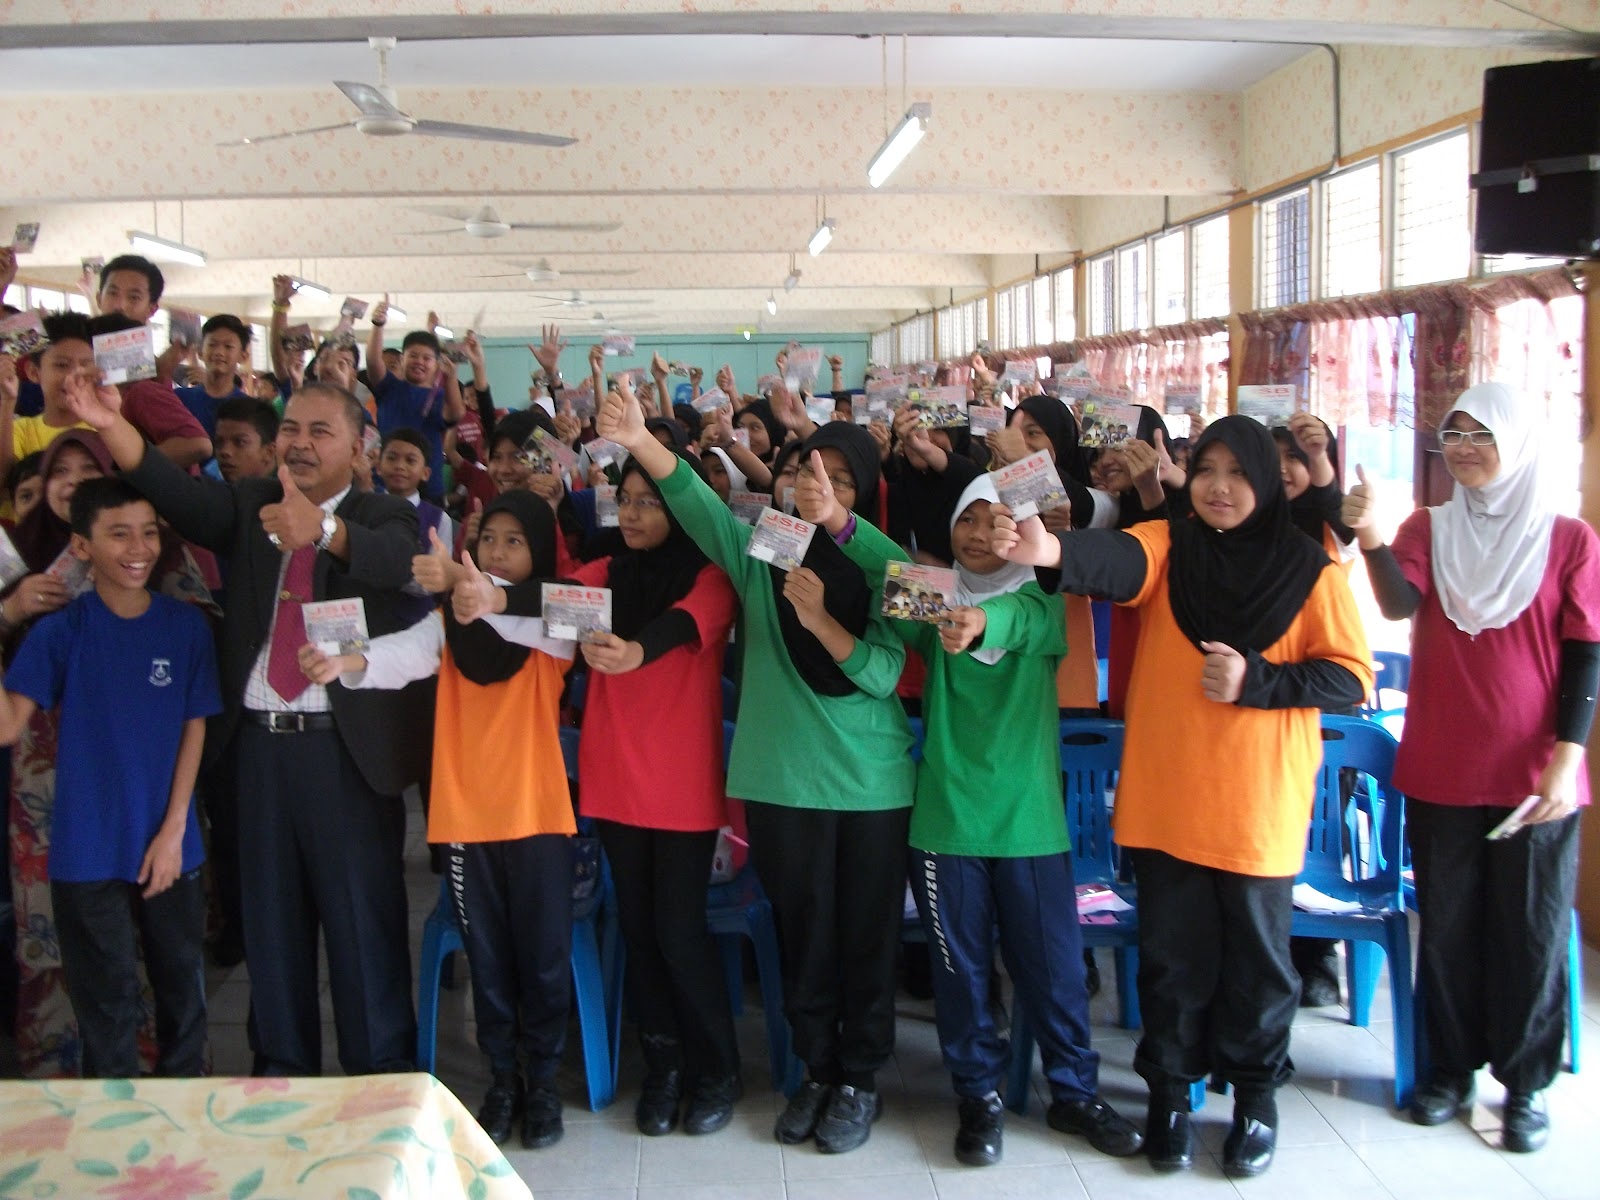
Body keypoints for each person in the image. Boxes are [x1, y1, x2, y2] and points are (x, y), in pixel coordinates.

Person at [992, 415, 1372, 1178]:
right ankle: (1169, 1093)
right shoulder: (1171, 545)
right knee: (1171, 960)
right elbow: (1119, 559)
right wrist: (1050, 550)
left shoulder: (1312, 568)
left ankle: (1256, 1103)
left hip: (1257, 802)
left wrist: (1257, 682)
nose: (1219, 488)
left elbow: (1352, 678)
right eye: (1206, 472)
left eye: (1237, 473)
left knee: (1261, 966)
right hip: (1167, 799)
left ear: (1263, 482)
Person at [65, 375, 433, 1077]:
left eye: (318, 432)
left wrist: (323, 530)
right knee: (271, 923)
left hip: (344, 757)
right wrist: (111, 425)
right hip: (259, 750)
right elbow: (175, 496)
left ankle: (379, 1073)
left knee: (364, 923)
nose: (297, 443)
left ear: (358, 447)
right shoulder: (250, 504)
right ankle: (282, 1066)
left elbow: (394, 565)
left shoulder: (386, 512)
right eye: (289, 429)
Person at [594, 379, 915, 1154]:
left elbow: (889, 667)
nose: (817, 490)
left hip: (869, 785)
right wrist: (641, 440)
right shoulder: (764, 547)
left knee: (865, 938)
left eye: (839, 482)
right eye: (809, 474)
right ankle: (814, 1071)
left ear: (862, 493)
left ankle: (859, 1080)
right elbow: (701, 512)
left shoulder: (884, 561)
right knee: (804, 935)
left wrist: (831, 558)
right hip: (779, 779)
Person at [797, 464, 1143, 1166]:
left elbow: (1012, 621)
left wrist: (980, 617)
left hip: (1029, 827)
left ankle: (1074, 1092)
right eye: (967, 521)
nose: (982, 533)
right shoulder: (935, 595)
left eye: (996, 520)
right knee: (959, 974)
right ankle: (977, 1095)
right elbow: (880, 560)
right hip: (945, 826)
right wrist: (836, 517)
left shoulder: (1045, 600)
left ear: (1023, 532)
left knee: (1054, 972)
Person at [1342, 382, 1600, 1153]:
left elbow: (1587, 652)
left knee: (1532, 927)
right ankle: (1447, 1071)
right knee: (1447, 928)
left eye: (1478, 434)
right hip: (1442, 762)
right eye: (1451, 435)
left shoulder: (1570, 540)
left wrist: (1568, 755)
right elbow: (1394, 605)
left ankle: (1524, 1089)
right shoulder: (1430, 526)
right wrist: (1375, 541)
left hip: (1534, 772)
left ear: (1515, 443)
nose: (1460, 448)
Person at [305, 491, 579, 1148]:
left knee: (541, 959)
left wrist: (474, 589)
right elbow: (401, 653)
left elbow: (535, 623)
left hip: (537, 814)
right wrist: (347, 662)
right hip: (466, 819)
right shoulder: (447, 624)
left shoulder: (554, 617)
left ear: (538, 551)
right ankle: (503, 1079)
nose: (499, 552)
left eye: (516, 541)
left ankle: (543, 1082)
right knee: (488, 961)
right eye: (489, 540)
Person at [506, 454, 743, 1136]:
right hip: (615, 782)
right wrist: (494, 592)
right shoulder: (608, 574)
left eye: (650, 502)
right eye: (626, 501)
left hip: (682, 786)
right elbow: (550, 595)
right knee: (638, 933)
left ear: (681, 511)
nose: (634, 515)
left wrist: (632, 653)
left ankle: (715, 1070)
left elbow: (679, 627)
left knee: (678, 933)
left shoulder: (709, 576)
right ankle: (664, 1068)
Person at [1, 429, 217, 1077]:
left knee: (182, 995)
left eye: (148, 532)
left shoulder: (184, 627)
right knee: (107, 1005)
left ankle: (188, 1128)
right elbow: (11, 722)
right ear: (81, 545)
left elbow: (194, 728)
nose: (138, 548)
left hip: (173, 845)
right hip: (85, 848)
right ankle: (113, 1146)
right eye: (119, 534)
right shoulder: (59, 633)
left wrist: (176, 828)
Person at [365, 300, 467, 502]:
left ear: (436, 364)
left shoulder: (439, 396)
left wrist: (452, 377)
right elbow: (373, 362)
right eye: (413, 356)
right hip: (385, 482)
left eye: (426, 358)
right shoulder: (390, 388)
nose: (419, 361)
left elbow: (456, 413)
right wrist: (378, 325)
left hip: (428, 487)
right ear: (402, 359)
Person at [175, 315, 253, 440]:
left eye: (228, 346)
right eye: (212, 345)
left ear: (243, 356)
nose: (219, 352)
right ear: (200, 352)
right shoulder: (179, 399)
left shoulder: (249, 409)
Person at [212, 397, 279, 485]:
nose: (225, 451)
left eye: (240, 442)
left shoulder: (294, 492)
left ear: (269, 452)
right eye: (219, 442)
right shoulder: (210, 477)